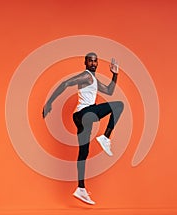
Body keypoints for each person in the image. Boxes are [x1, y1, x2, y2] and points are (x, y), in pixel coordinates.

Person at [42, 52, 124, 205]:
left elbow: (109, 91)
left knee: (84, 153)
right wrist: (50, 103)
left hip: (82, 118)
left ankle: (80, 188)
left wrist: (115, 75)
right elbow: (65, 83)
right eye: (90, 61)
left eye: (95, 61)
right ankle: (105, 137)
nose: (93, 63)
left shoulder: (93, 79)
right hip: (84, 114)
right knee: (118, 105)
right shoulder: (86, 76)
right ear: (85, 63)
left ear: (97, 63)